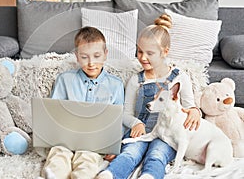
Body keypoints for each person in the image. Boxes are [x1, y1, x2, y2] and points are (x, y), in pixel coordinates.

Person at [96, 14, 201, 179]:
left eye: (149, 53)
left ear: (165, 52)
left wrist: (195, 111)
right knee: (129, 154)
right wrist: (136, 123)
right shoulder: (135, 80)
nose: (142, 58)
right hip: (141, 132)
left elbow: (189, 107)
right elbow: (125, 113)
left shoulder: (180, 77)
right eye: (139, 51)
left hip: (168, 134)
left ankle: (149, 176)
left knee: (157, 156)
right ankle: (109, 174)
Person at [41, 26, 125, 179]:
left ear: (105, 55)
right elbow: (53, 114)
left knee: (87, 158)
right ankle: (53, 175)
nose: (91, 63)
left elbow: (118, 121)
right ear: (77, 56)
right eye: (85, 57)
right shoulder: (64, 79)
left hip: (94, 143)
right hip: (65, 139)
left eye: (97, 55)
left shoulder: (116, 85)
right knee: (59, 153)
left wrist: (114, 146)